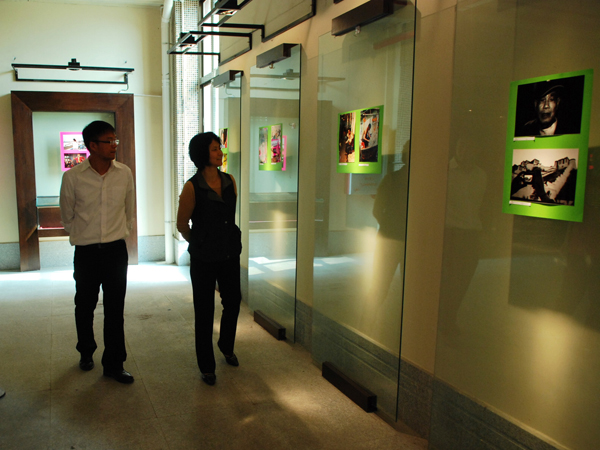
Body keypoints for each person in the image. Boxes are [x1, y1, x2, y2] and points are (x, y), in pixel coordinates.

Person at [60, 120, 135, 384]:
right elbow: (67, 216)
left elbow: (129, 209)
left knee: (115, 309)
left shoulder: (124, 173)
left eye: (115, 140)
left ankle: (114, 364)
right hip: (87, 253)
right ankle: (86, 350)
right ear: (92, 145)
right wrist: (85, 236)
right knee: (85, 305)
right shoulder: (73, 177)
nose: (114, 145)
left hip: (115, 251)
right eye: (108, 141)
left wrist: (120, 232)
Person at [176, 132, 242, 386]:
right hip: (204, 258)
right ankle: (206, 366)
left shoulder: (229, 180)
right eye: (215, 149)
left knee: (233, 302)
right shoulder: (192, 187)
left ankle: (226, 345)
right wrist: (199, 242)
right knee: (204, 311)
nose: (220, 153)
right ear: (203, 153)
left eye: (219, 148)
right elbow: (182, 224)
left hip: (229, 253)